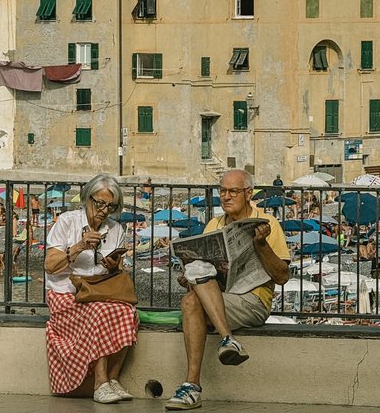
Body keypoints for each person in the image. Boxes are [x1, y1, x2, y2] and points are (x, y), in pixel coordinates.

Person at [165, 169, 290, 411]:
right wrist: (188, 278)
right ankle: (220, 350)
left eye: (233, 191)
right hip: (219, 298)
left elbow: (282, 277)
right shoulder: (214, 224)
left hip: (253, 301)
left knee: (193, 300)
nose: (226, 196)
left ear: (248, 194)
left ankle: (193, 384)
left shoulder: (268, 224)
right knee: (191, 297)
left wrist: (261, 244)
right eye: (222, 191)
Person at [44, 173, 137, 403]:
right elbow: (49, 266)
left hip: (99, 290)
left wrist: (114, 265)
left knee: (128, 312)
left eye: (111, 206)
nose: (104, 210)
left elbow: (117, 271)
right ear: (87, 199)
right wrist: (79, 246)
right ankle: (100, 383)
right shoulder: (67, 221)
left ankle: (112, 380)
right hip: (66, 292)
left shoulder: (115, 229)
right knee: (98, 313)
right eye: (100, 203)